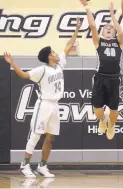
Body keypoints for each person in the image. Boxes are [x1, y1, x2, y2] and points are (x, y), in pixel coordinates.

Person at [4, 18, 82, 178]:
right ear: (49, 57)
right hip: (44, 104)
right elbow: (24, 75)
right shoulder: (42, 70)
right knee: (36, 134)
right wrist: (12, 63)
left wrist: (77, 29)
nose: (56, 53)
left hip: (55, 106)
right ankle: (25, 165)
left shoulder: (60, 64)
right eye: (53, 52)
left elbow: (68, 46)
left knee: (50, 137)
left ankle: (42, 166)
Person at [79, 0, 123, 140]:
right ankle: (102, 120)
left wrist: (112, 15)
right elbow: (92, 25)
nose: (109, 29)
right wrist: (86, 7)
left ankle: (111, 125)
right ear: (103, 33)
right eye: (106, 28)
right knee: (97, 108)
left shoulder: (119, 42)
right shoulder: (99, 41)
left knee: (114, 109)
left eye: (111, 28)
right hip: (100, 77)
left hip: (114, 78)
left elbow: (121, 32)